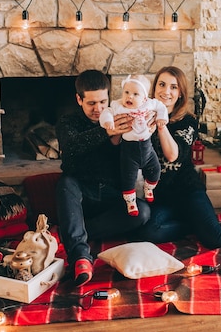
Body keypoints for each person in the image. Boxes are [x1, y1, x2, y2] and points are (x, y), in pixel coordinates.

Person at [135, 66, 221, 249]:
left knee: (215, 238)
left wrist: (161, 125)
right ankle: (192, 226)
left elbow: (172, 156)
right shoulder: (144, 116)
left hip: (187, 191)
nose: (166, 91)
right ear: (154, 88)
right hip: (161, 196)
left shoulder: (188, 121)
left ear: (180, 93)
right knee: (147, 232)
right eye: (162, 85)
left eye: (173, 87)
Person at [55, 70, 151, 287]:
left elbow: (138, 159)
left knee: (142, 212)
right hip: (81, 193)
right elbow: (71, 149)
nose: (98, 109)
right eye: (91, 103)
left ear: (110, 97)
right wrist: (105, 132)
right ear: (79, 99)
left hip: (111, 196)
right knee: (65, 183)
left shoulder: (123, 117)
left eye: (102, 101)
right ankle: (80, 256)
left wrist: (143, 133)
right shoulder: (67, 122)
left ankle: (73, 231)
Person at [99, 74, 168, 216]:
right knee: (128, 178)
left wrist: (161, 118)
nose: (129, 97)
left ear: (144, 98)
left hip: (147, 149)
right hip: (129, 151)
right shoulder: (118, 106)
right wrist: (107, 121)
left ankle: (149, 188)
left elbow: (161, 107)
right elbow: (107, 112)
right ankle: (131, 202)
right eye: (126, 92)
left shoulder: (149, 104)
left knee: (156, 170)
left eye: (135, 94)